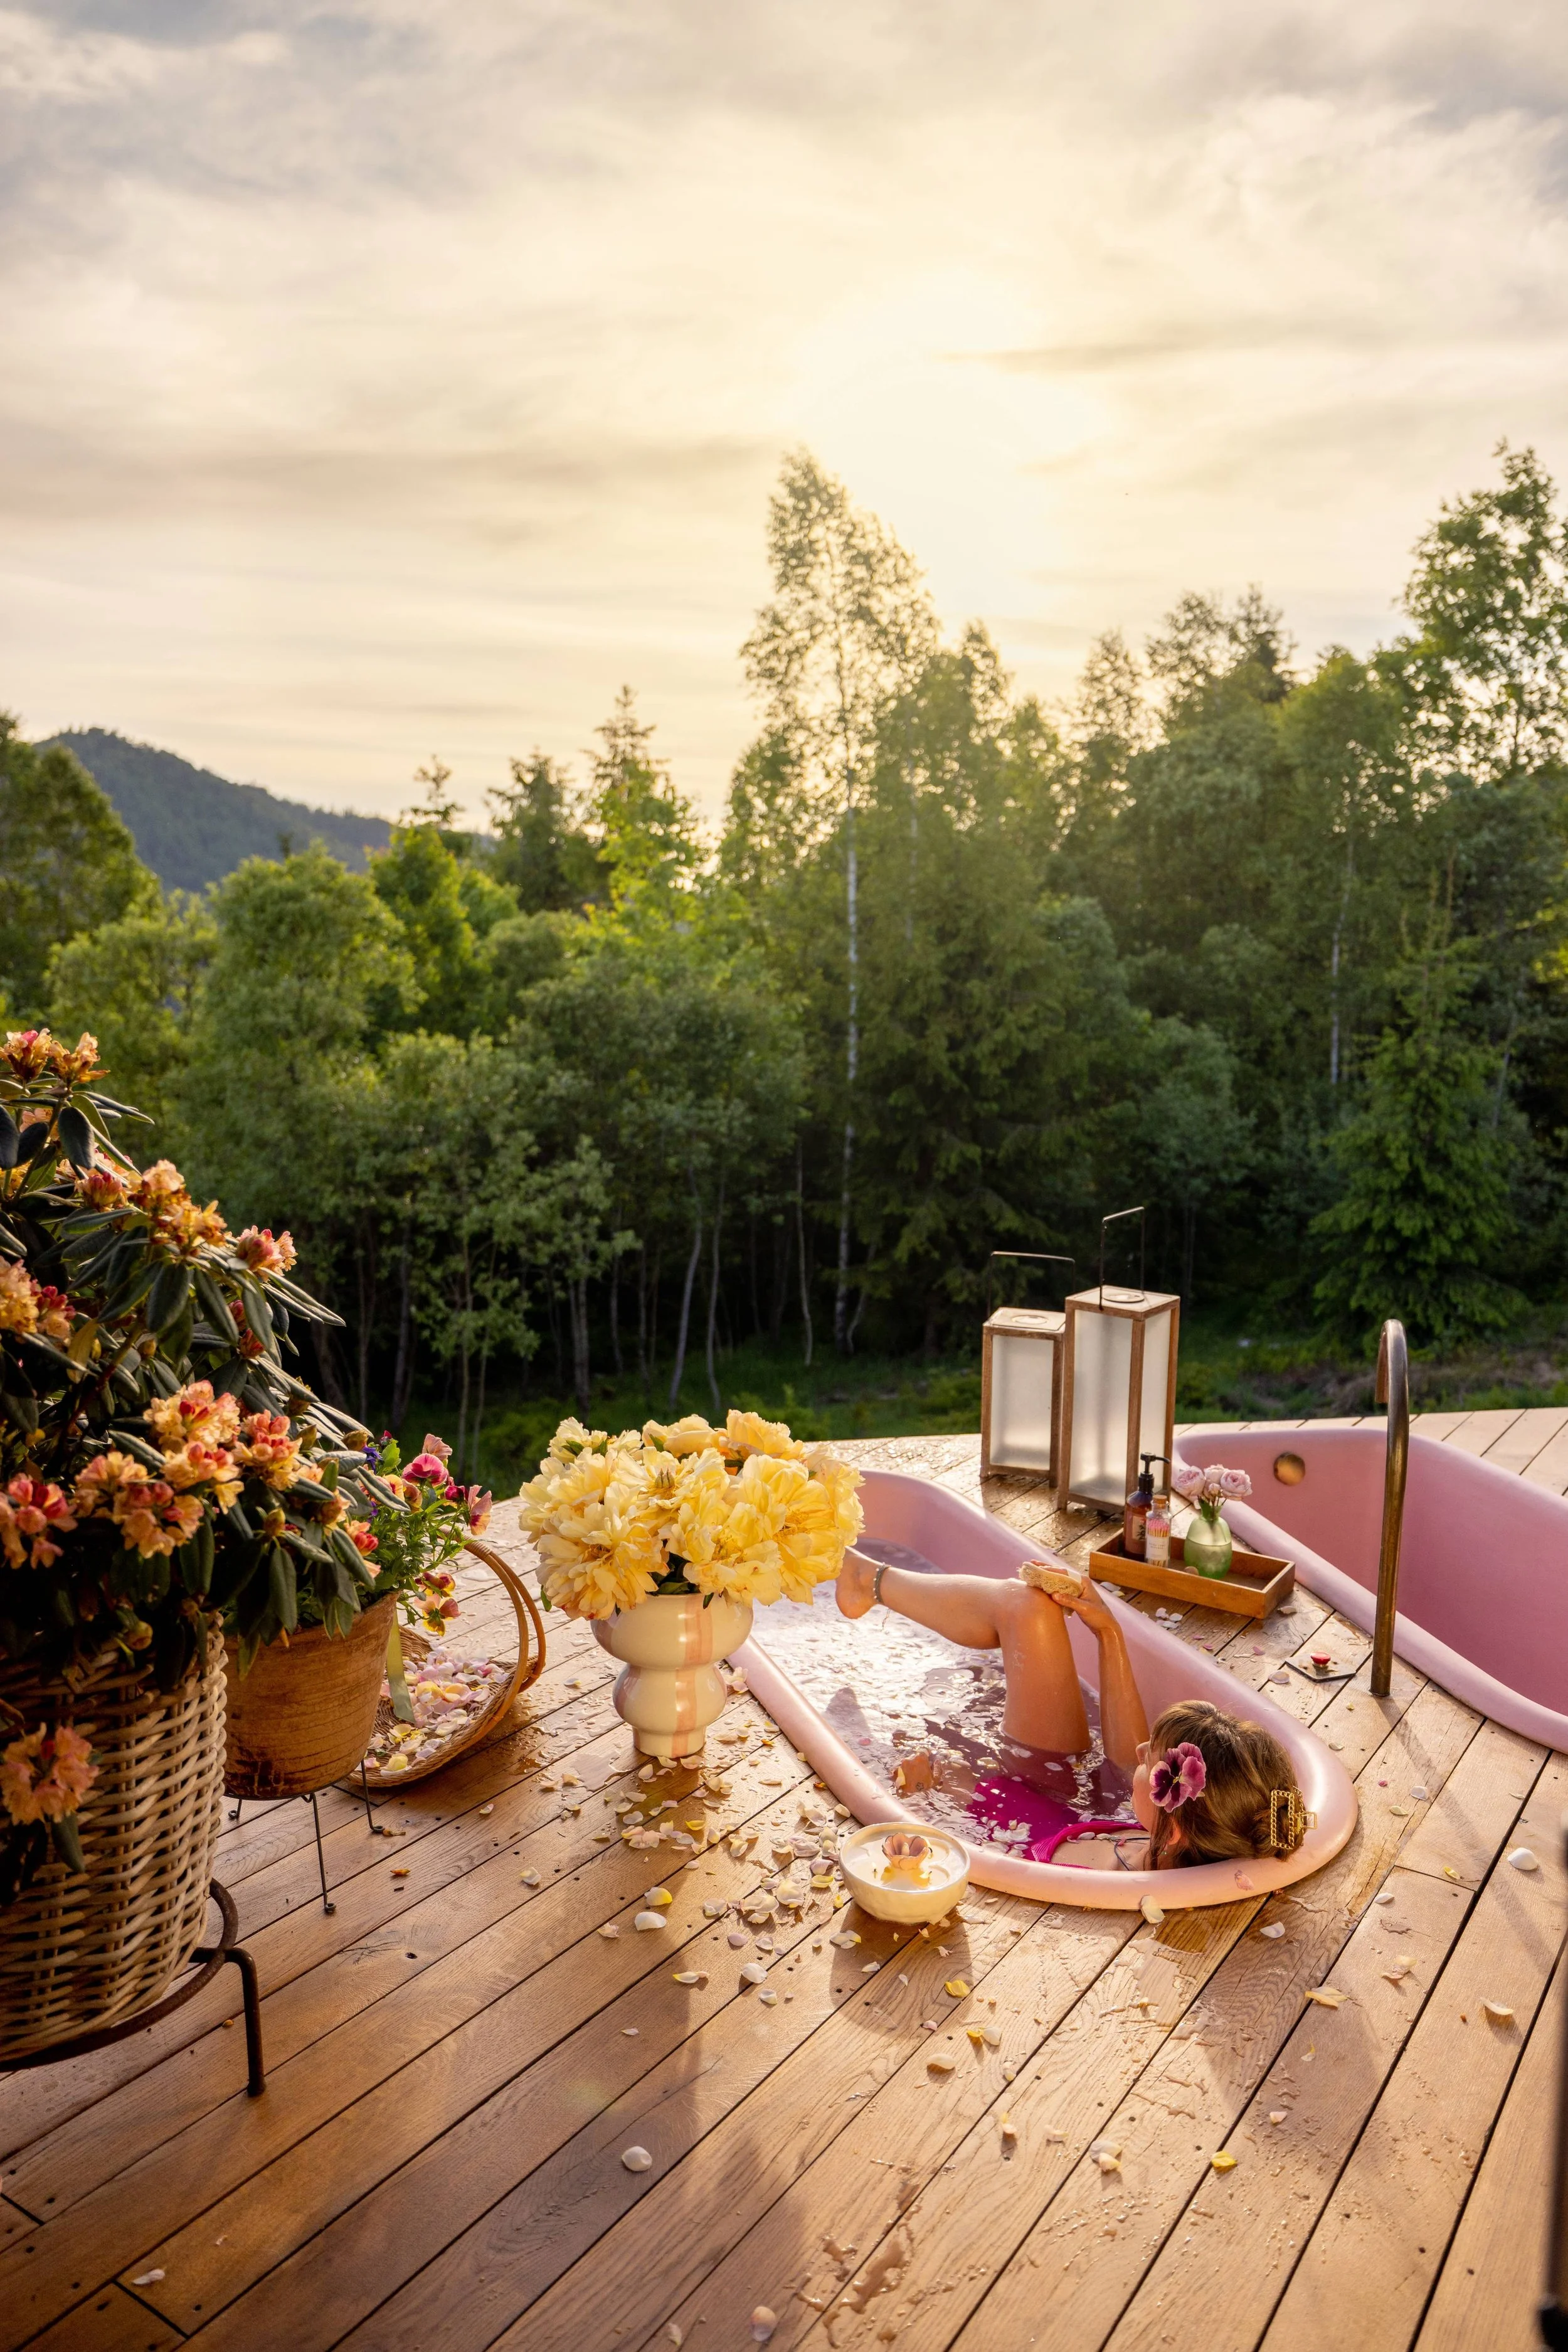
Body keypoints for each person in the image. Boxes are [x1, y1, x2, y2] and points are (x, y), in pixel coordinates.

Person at [835, 1545, 1308, 1872]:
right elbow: (1123, 1762)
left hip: (1014, 1802)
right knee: (1029, 1604)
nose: (1143, 1747)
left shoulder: (1099, 1878)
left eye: (1154, 1761)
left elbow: (1016, 1840)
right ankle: (868, 1580)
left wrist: (934, 1790)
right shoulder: (1176, 1838)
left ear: (1177, 1831)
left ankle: (870, 1580)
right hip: (1054, 1793)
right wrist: (1108, 1630)